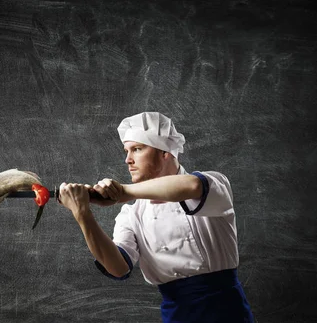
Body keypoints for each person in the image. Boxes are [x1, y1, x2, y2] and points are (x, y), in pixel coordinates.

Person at [57, 112, 255, 323]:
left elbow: (191, 186)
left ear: (165, 152)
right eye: (126, 150)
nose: (128, 159)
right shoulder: (132, 215)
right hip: (176, 315)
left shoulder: (214, 182)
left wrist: (123, 192)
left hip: (226, 313)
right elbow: (118, 268)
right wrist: (83, 214)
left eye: (137, 149)